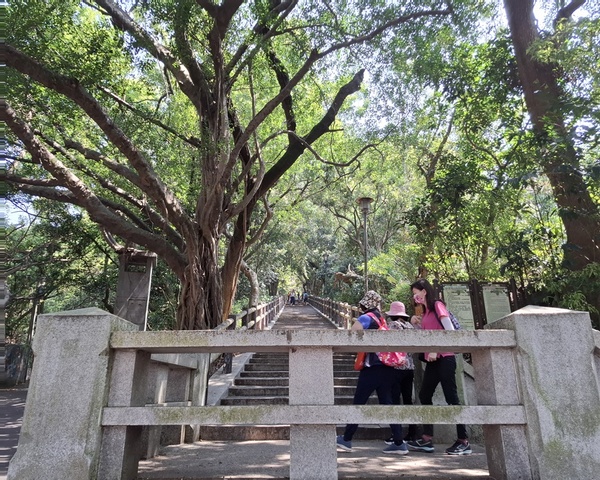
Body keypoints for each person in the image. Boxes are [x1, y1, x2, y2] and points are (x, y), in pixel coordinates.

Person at [336, 290, 408, 455]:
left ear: (364, 304)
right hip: (387, 367)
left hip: (372, 367)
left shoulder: (366, 318)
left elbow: (352, 333)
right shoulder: (382, 319)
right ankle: (399, 442)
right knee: (387, 404)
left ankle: (346, 439)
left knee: (359, 402)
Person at [406, 278, 472, 455]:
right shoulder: (426, 312)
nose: (415, 297)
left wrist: (436, 348)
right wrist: (415, 324)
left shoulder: (437, 305)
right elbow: (425, 336)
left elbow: (449, 331)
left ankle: (463, 441)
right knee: (424, 394)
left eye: (416, 293)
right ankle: (427, 438)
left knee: (452, 397)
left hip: (445, 358)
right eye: (413, 295)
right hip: (433, 361)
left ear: (424, 291)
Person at [383, 301, 417, 444]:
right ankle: (412, 433)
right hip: (409, 367)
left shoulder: (392, 325)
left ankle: (396, 433)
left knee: (395, 400)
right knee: (408, 400)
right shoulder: (410, 326)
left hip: (395, 367)